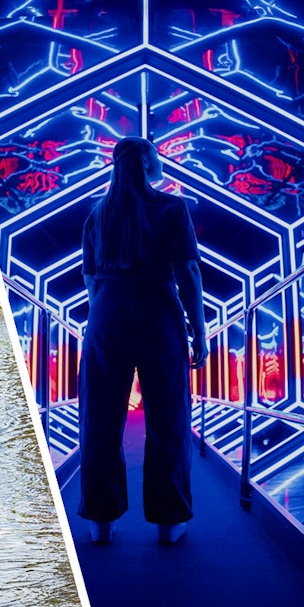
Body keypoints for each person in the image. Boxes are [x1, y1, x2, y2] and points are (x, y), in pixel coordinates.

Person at [79, 135, 207, 546]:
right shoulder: (173, 208)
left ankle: (100, 520)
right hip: (156, 311)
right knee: (168, 417)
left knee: (100, 419)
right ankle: (170, 521)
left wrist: (103, 319)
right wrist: (198, 330)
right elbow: (188, 273)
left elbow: (90, 279)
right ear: (148, 163)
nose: (162, 162)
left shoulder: (97, 215)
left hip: (108, 312)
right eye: (158, 156)